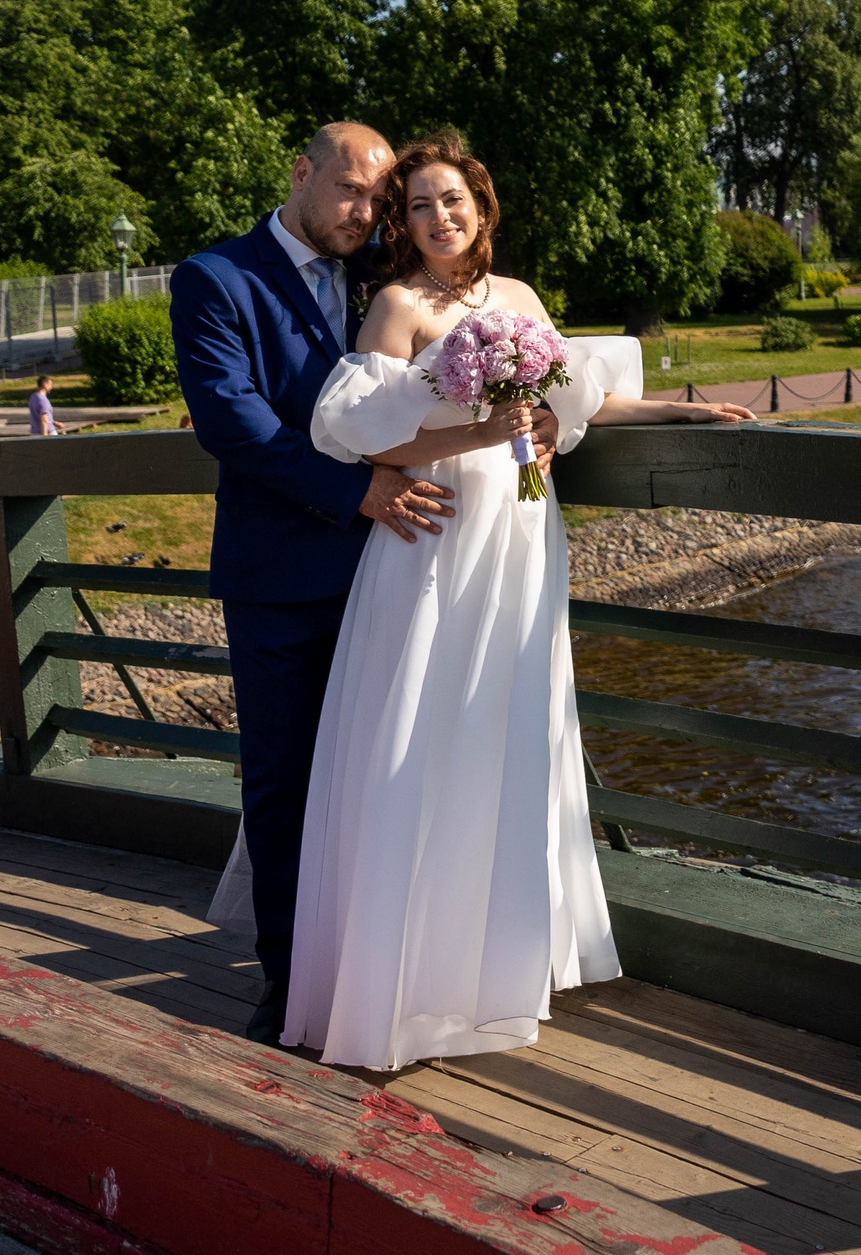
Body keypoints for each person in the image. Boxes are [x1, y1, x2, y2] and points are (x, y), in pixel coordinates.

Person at [267, 133, 751, 1069]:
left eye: (453, 200)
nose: (439, 217)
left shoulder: (520, 301)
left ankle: (492, 970)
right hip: (436, 545)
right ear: (403, 224)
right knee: (424, 735)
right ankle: (401, 986)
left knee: (505, 731)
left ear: (481, 207)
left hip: (523, 540)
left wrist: (679, 411)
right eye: (417, 205)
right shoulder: (396, 307)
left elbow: (575, 402)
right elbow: (362, 440)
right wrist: (482, 425)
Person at [176, 123, 511, 1045]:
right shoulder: (215, 278)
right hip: (282, 578)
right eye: (353, 192)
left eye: (379, 199)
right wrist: (356, 487)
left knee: (383, 774)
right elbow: (234, 423)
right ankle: (292, 986)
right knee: (285, 786)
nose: (367, 212)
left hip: (397, 570)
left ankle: (381, 973)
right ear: (302, 173)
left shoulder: (382, 280)